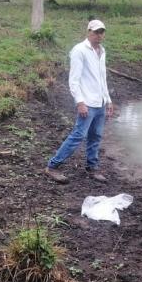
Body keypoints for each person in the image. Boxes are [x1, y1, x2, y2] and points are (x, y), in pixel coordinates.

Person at [44, 19, 114, 184]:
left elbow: (102, 78)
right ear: (88, 31)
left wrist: (108, 100)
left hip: (100, 102)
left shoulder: (102, 51)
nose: (99, 35)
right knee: (78, 135)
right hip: (87, 102)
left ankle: (92, 167)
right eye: (96, 32)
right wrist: (80, 102)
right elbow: (73, 80)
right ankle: (53, 166)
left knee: (96, 136)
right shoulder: (79, 50)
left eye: (101, 32)